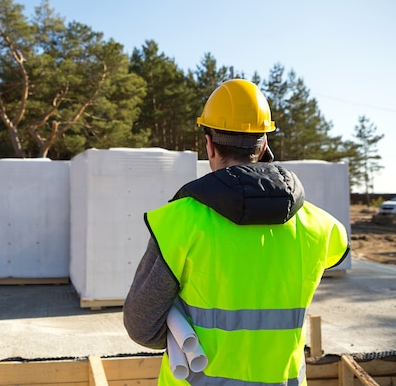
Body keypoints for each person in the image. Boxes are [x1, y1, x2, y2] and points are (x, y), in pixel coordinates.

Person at [123, 78, 349, 386]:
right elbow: (340, 250)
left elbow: (142, 326)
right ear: (264, 146)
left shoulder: (179, 222)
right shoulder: (318, 225)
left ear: (210, 145)